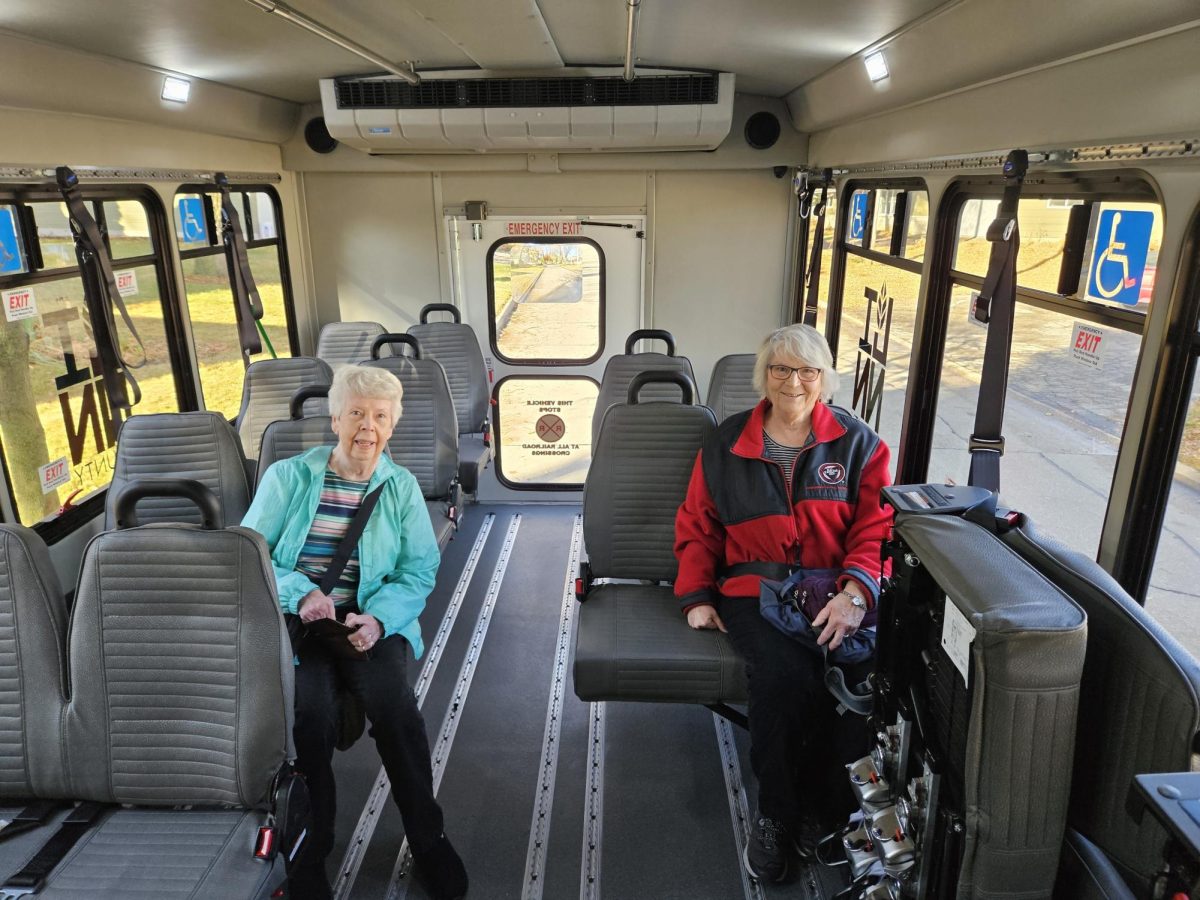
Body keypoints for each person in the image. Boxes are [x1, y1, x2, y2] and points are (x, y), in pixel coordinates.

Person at [674, 323, 892, 884]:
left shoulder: (859, 443)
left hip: (835, 592)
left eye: (807, 371)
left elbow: (876, 531)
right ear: (764, 377)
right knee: (782, 676)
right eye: (780, 369)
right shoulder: (724, 444)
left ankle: (834, 807)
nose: (793, 381)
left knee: (862, 675)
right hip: (755, 590)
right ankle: (775, 813)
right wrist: (697, 594)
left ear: (824, 378)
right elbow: (698, 525)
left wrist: (855, 594)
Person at [242, 364, 467, 900]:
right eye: (358, 414)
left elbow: (418, 571)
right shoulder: (288, 478)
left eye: (381, 417)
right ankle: (310, 851)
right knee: (308, 719)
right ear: (336, 417)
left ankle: (427, 836)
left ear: (392, 427)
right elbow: (249, 556)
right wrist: (303, 594)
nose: (368, 427)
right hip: (301, 624)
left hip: (369, 621)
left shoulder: (401, 488)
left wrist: (379, 618)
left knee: (397, 711)